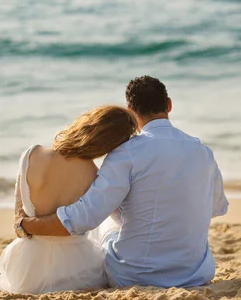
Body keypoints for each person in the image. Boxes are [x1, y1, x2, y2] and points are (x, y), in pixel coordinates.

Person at [15, 75, 230, 288]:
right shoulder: (203, 151)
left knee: (106, 221)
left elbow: (83, 218)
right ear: (169, 105)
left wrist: (25, 224)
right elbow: (217, 208)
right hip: (196, 274)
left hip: (136, 277)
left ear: (130, 109)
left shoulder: (127, 153)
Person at [0, 106, 138, 294]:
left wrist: (23, 225)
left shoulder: (33, 154)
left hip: (27, 268)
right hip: (78, 269)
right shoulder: (95, 175)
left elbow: (19, 217)